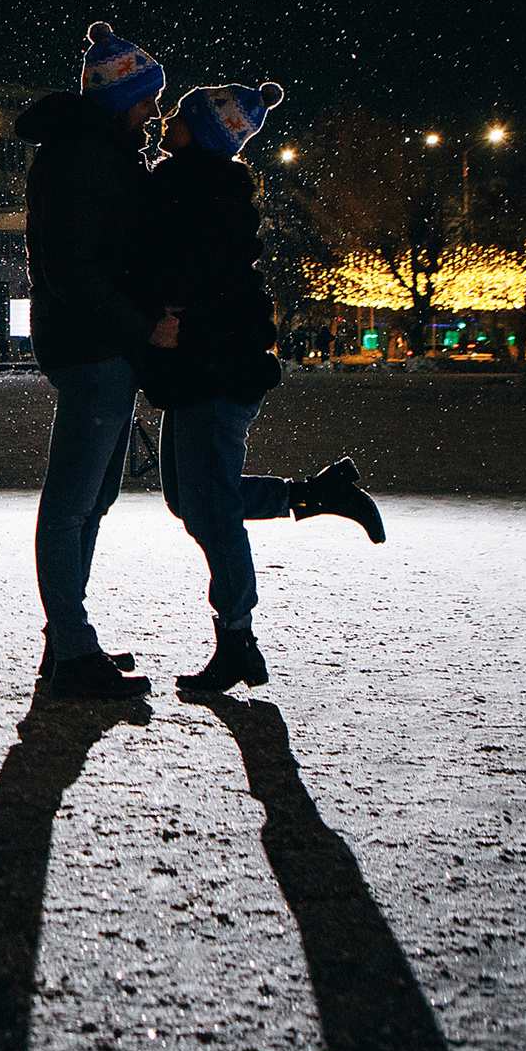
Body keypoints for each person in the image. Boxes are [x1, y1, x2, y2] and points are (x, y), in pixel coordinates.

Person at [134, 82, 387, 695]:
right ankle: (316, 494)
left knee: (213, 510)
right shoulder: (196, 183)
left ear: (203, 131)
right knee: (189, 500)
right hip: (207, 366)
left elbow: (178, 265)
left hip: (215, 369)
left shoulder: (199, 187)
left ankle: (239, 641)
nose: (167, 121)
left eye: (181, 117)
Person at [14, 23, 179, 700]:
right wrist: (142, 325)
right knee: (73, 503)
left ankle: (69, 639)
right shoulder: (86, 154)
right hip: (94, 348)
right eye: (147, 97)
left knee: (92, 499)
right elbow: (77, 270)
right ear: (119, 98)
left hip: (99, 346)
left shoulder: (96, 148)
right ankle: (72, 647)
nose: (154, 111)